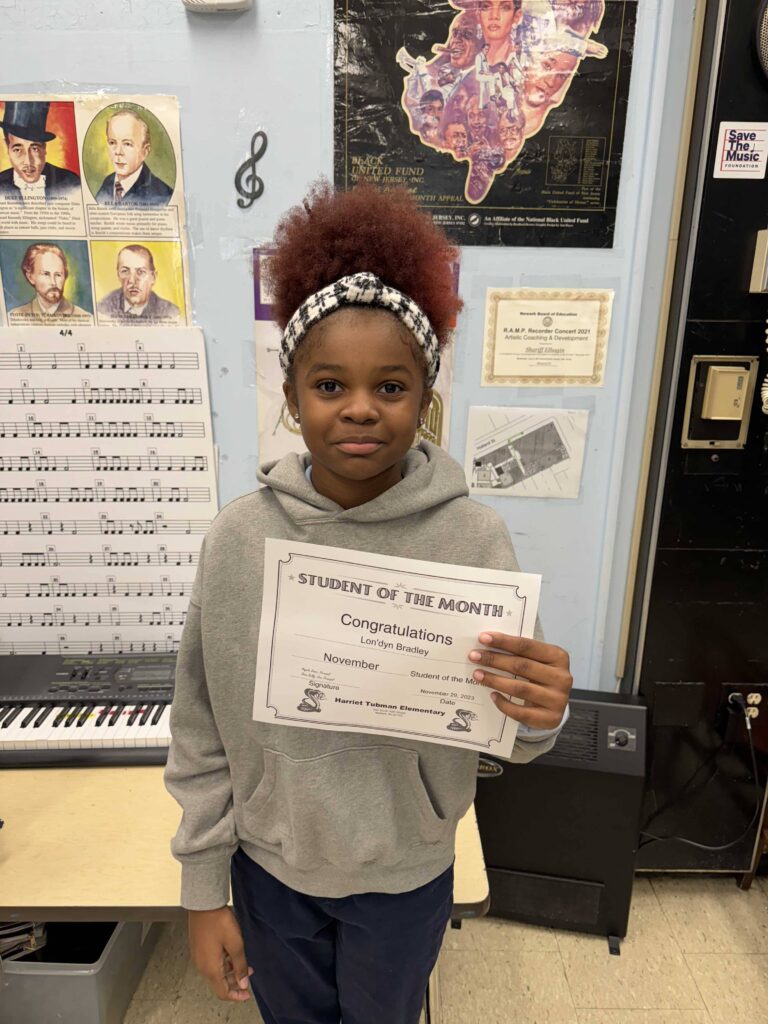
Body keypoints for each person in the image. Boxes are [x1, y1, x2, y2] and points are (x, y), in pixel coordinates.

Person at [164, 181, 573, 1024]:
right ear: (291, 398)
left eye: (390, 387)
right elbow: (200, 727)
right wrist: (203, 891)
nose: (359, 408)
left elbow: (517, 732)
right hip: (269, 867)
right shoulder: (239, 541)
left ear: (426, 399)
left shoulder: (473, 540)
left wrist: (541, 714)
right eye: (328, 385)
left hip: (407, 873)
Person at [0, 100, 80, 202]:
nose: (28, 161)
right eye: (18, 150)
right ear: (7, 148)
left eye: (35, 149)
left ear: (44, 149)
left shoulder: (71, 182)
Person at [94, 109, 173, 207]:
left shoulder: (163, 196)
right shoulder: (108, 182)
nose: (118, 151)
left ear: (145, 151)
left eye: (127, 144)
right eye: (112, 142)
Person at [8, 243, 92, 323]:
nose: (53, 282)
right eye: (46, 274)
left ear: (65, 276)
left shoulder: (86, 318)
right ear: (30, 277)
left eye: (58, 275)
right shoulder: (14, 316)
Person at [97, 244, 180, 322]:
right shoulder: (103, 308)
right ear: (118, 275)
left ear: (153, 277)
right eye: (125, 271)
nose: (132, 281)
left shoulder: (170, 312)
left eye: (140, 272)